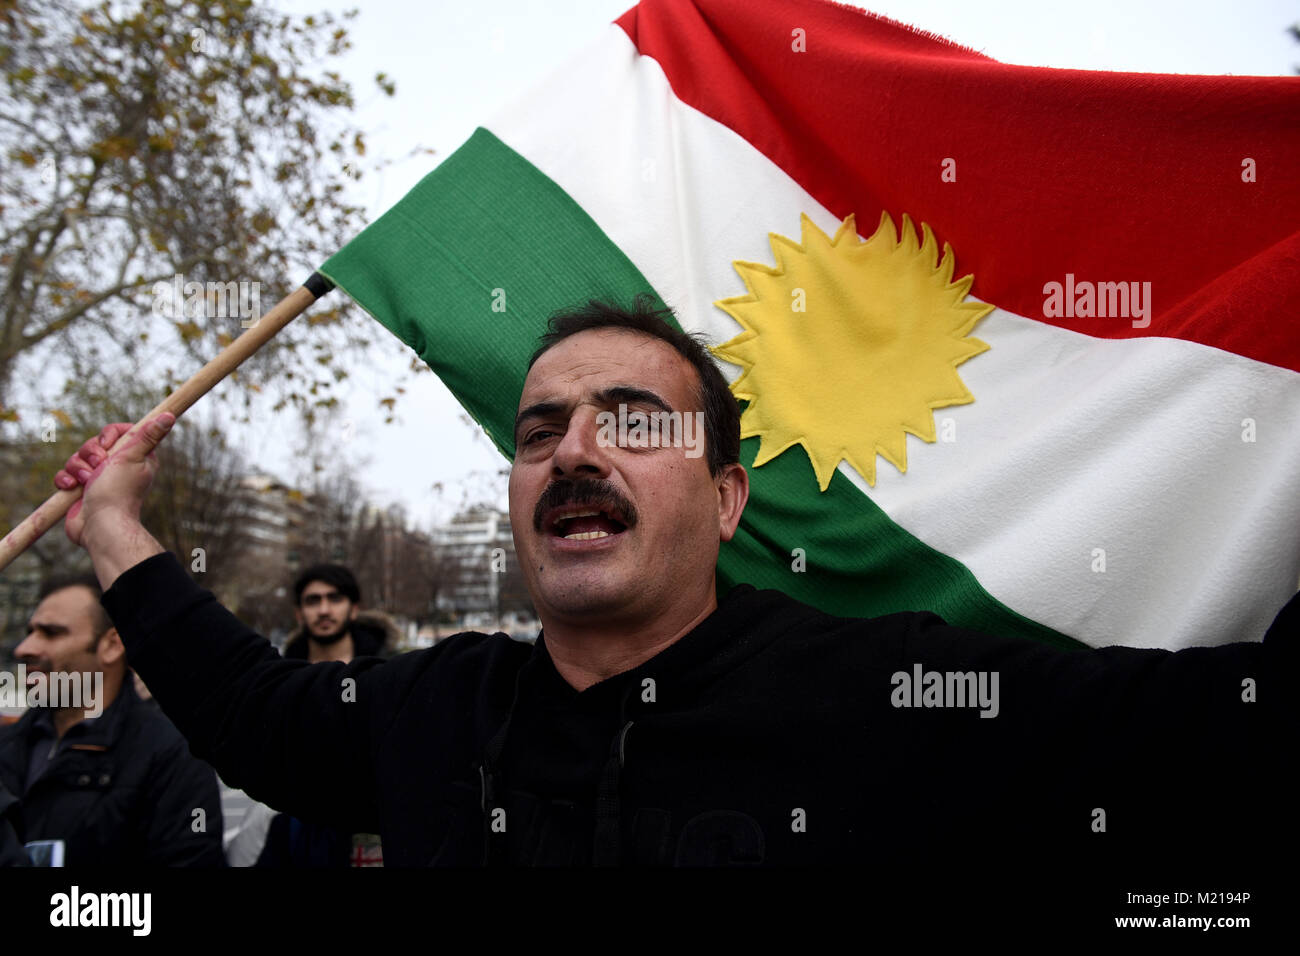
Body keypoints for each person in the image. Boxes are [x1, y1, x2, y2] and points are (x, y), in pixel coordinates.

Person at [52, 298, 1295, 868]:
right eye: (539, 432)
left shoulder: (889, 691)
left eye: (631, 420)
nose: (575, 450)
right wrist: (115, 525)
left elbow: (1219, 732)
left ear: (727, 494)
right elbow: (245, 709)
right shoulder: (431, 708)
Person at [0, 573, 224, 866]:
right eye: (30, 632)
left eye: (51, 633)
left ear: (112, 645)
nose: (24, 649)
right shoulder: (9, 744)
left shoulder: (172, 757)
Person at [249, 564, 391, 867]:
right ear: (299, 614)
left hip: (376, 828)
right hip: (296, 825)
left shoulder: (389, 674)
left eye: (334, 598)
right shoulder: (278, 681)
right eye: (313, 600)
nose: (324, 609)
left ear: (354, 609)